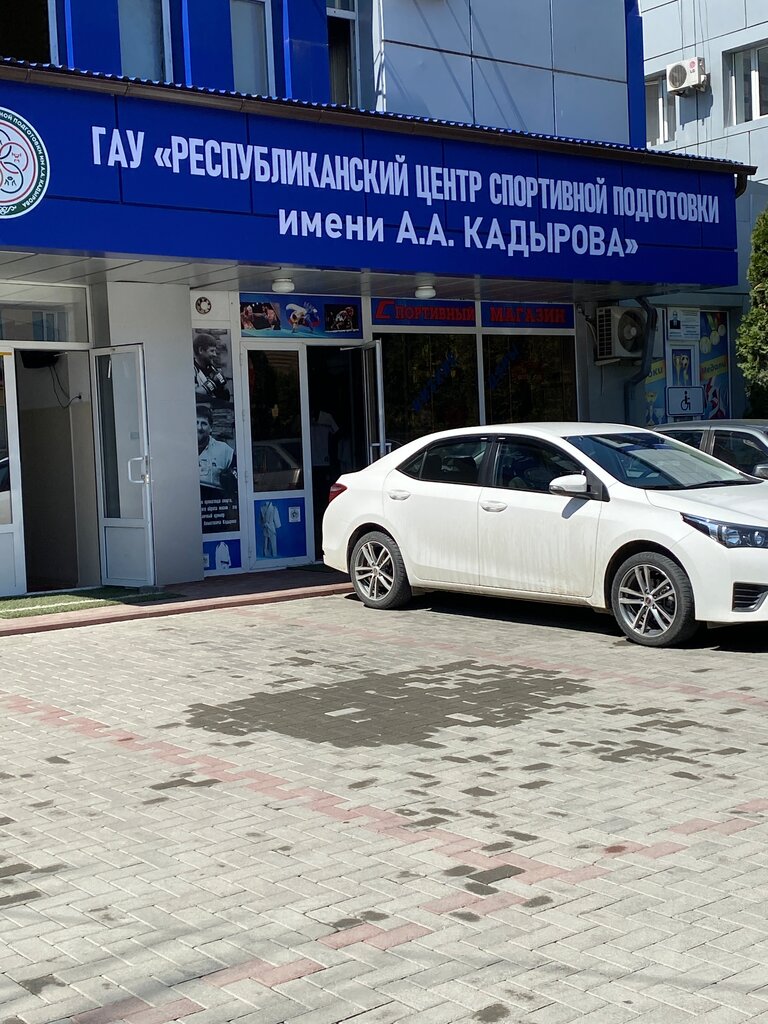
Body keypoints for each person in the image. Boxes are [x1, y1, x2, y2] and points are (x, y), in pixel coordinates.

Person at [197, 405, 237, 497]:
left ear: (211, 428)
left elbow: (238, 478)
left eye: (204, 423)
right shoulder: (181, 450)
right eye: (196, 422)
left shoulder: (224, 450)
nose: (199, 427)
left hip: (215, 503)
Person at [194, 333, 230, 401]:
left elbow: (225, 398)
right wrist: (213, 383)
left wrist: (222, 387)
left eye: (215, 351)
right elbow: (193, 395)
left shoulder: (212, 369)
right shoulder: (191, 370)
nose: (215, 354)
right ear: (201, 350)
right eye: (212, 351)